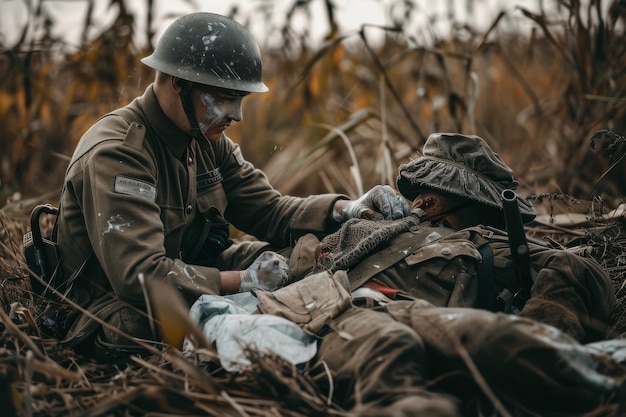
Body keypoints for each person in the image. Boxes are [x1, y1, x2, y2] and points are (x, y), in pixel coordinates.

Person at [43, 12, 410, 355]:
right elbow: (142, 278)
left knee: (306, 251)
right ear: (179, 84)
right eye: (225, 98)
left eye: (240, 99)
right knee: (179, 317)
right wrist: (244, 281)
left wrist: (346, 207)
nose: (237, 115)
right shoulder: (119, 153)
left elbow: (270, 210)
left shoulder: (203, 138)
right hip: (115, 307)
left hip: (193, 270)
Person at [264, 132, 622, 415]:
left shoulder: (490, 243)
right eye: (421, 190)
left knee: (508, 344)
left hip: (426, 315)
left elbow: (577, 272)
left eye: (436, 192)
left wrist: (544, 326)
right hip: (336, 313)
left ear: (482, 206)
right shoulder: (360, 229)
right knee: (390, 353)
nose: (420, 200)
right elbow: (274, 267)